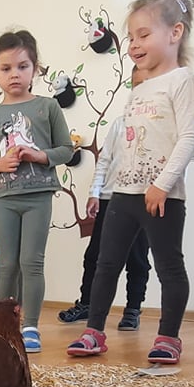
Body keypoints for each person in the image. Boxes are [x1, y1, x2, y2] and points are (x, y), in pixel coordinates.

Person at [68, 0, 194, 364]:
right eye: (131, 37)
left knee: (168, 265)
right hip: (122, 195)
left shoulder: (184, 82)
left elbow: (189, 137)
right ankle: (93, 331)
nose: (134, 44)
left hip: (162, 196)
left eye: (143, 35)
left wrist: (163, 184)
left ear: (175, 33)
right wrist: (105, 189)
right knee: (106, 263)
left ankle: (168, 337)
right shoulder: (139, 88)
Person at [0, 29, 75, 353]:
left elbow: (66, 149)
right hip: (4, 198)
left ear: (35, 69)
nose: (14, 74)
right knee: (7, 264)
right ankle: (4, 326)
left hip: (38, 196)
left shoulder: (48, 107)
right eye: (6, 68)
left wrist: (39, 156)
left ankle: (30, 326)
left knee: (31, 262)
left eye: (22, 66)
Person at [59, 70, 151, 331]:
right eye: (137, 85)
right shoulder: (120, 124)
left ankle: (132, 309)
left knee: (137, 258)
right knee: (95, 254)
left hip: (143, 199)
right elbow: (105, 160)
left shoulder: (166, 123)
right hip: (112, 198)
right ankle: (87, 303)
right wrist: (95, 192)